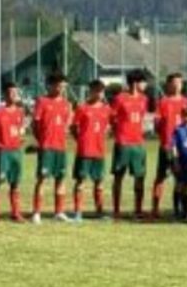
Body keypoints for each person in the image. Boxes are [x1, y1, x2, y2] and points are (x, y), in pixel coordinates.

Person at [32, 73, 72, 224]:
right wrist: (41, 140)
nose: (61, 88)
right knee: (42, 179)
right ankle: (36, 212)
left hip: (60, 147)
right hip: (47, 147)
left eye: (63, 86)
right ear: (51, 85)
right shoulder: (42, 102)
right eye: (59, 85)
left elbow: (67, 124)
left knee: (61, 179)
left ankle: (59, 212)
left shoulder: (66, 104)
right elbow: (35, 125)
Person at [111, 71, 152, 220]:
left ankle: (138, 210)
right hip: (123, 143)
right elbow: (113, 119)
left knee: (139, 177)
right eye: (143, 82)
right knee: (118, 177)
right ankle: (116, 211)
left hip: (138, 144)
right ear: (135, 83)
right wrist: (120, 135)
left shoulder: (144, 99)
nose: (145, 85)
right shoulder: (119, 98)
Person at [153, 73, 187, 218]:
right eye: (174, 82)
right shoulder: (163, 102)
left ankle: (181, 210)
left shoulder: (186, 101)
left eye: (180, 82)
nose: (177, 85)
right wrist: (165, 138)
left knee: (181, 179)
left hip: (182, 149)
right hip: (167, 146)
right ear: (168, 85)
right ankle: (155, 209)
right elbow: (157, 124)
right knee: (160, 178)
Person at [72, 80, 112, 222]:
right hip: (85, 151)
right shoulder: (82, 108)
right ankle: (77, 212)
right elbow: (73, 128)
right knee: (80, 181)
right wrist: (82, 140)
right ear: (91, 91)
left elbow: (108, 128)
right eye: (97, 90)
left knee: (99, 182)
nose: (100, 93)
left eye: (102, 91)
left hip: (99, 151)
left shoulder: (107, 109)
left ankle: (99, 212)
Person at [0, 83, 27, 224]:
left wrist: (20, 140)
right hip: (3, 151)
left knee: (15, 183)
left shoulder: (20, 112)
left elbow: (21, 131)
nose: (14, 95)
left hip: (16, 151)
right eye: (11, 93)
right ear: (5, 95)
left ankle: (15, 213)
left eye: (15, 93)